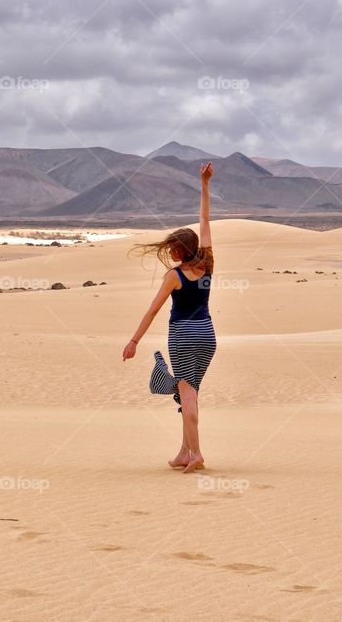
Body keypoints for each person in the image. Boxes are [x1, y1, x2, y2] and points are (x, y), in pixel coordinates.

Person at [123, 162, 217, 473]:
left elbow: (153, 309)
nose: (172, 251)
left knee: (186, 394)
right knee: (189, 392)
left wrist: (134, 341)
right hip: (207, 336)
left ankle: (197, 454)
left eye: (175, 247)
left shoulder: (173, 276)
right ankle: (183, 451)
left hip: (182, 336)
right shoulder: (208, 264)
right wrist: (204, 183)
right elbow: (204, 219)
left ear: (182, 249)